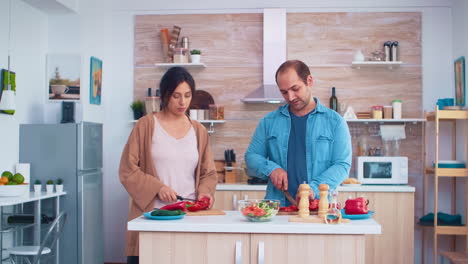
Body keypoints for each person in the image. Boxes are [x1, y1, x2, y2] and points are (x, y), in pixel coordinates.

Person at [119, 67, 217, 264]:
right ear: (164, 95)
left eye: (188, 96)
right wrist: (158, 188)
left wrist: (206, 193)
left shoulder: (198, 131)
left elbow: (209, 173)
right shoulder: (146, 125)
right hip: (153, 216)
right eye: (176, 96)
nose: (183, 102)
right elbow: (127, 169)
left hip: (188, 217)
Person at [245, 60, 351, 205]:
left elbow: (342, 165)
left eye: (295, 89)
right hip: (277, 208)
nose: (290, 97)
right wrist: (272, 169)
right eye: (284, 92)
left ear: (309, 81)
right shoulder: (268, 122)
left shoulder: (335, 122)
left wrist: (313, 189)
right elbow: (251, 157)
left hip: (319, 207)